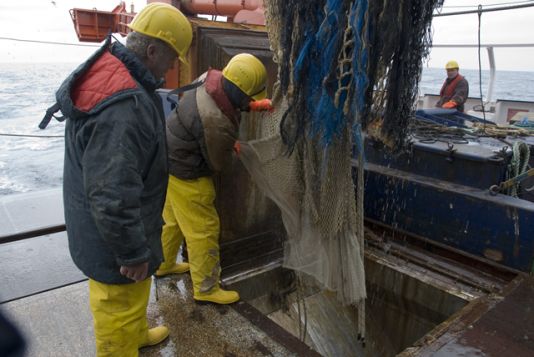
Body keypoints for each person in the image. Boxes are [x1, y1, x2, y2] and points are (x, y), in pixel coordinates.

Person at [41, 3, 192, 356]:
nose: (172, 68)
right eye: (171, 59)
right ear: (152, 51)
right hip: (112, 245)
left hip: (112, 232)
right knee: (117, 310)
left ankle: (136, 333)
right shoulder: (125, 106)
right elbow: (111, 193)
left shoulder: (119, 73)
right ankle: (122, 342)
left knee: (132, 295)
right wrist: (131, 251)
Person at [155, 53, 271, 305]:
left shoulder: (208, 77)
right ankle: (206, 288)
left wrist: (251, 106)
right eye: (250, 98)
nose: (251, 100)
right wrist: (230, 147)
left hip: (168, 160)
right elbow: (219, 163)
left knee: (173, 220)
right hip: (187, 172)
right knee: (203, 229)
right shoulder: (216, 122)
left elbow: (229, 96)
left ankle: (162, 264)